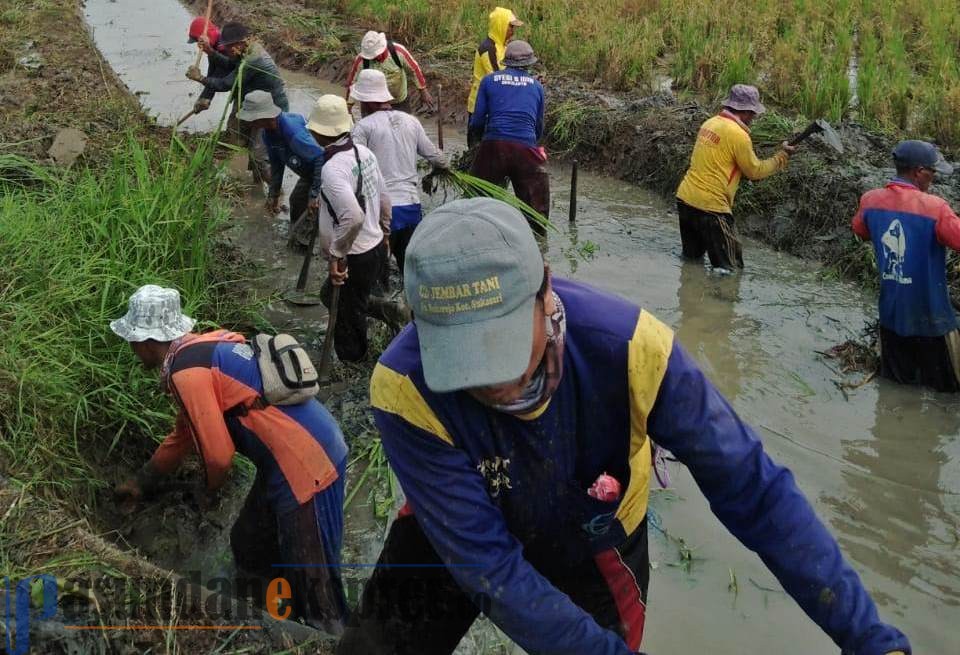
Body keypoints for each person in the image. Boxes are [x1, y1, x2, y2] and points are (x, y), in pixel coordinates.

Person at [336, 198, 911, 655]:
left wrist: (868, 638)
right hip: (453, 538)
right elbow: (486, 567)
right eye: (465, 360)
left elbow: (755, 492)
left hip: (597, 544)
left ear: (546, 290)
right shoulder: (404, 388)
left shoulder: (635, 350)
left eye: (504, 346)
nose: (493, 384)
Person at [110, 285, 348, 634]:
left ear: (145, 341)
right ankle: (267, 622)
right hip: (290, 457)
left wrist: (208, 490)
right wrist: (142, 481)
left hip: (307, 466)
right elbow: (185, 434)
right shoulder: (207, 347)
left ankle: (317, 637)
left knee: (320, 601)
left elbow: (219, 457)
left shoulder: (185, 373)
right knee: (249, 545)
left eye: (132, 341)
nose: (132, 350)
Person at [852, 139, 960, 391]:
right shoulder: (936, 208)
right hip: (932, 320)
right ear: (919, 172)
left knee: (896, 389)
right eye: (932, 172)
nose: (933, 178)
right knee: (945, 395)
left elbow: (859, 228)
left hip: (891, 317)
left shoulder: (870, 201)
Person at [307, 95, 391, 363]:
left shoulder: (333, 169)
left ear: (319, 133)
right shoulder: (363, 153)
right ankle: (390, 311)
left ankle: (354, 367)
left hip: (355, 255)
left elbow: (353, 217)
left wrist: (337, 255)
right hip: (375, 246)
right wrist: (385, 231)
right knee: (349, 302)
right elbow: (383, 196)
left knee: (347, 318)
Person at [675, 84, 795, 272]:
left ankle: (690, 296)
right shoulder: (739, 135)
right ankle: (721, 299)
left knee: (691, 261)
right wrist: (782, 157)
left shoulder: (710, 123)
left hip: (685, 199)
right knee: (730, 269)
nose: (754, 118)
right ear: (746, 111)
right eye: (753, 114)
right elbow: (754, 172)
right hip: (712, 209)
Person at [351, 69, 448, 288]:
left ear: (365, 103)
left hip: (383, 212)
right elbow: (435, 156)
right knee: (411, 274)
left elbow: (356, 170)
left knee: (377, 275)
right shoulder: (411, 121)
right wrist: (447, 167)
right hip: (411, 207)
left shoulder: (362, 128)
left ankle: (383, 312)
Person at [186, 22, 289, 186]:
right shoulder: (246, 51)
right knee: (241, 139)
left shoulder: (253, 60)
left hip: (271, 110)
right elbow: (229, 65)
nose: (226, 51)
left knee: (259, 155)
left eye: (227, 47)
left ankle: (275, 193)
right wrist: (210, 51)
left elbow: (226, 83)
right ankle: (257, 186)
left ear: (239, 43)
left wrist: (200, 78)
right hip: (254, 104)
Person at [469, 40, 548, 234]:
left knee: (479, 199)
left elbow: (477, 120)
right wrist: (529, 145)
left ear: (506, 62)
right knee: (536, 209)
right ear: (529, 64)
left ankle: (478, 233)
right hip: (526, 148)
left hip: (494, 146)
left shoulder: (489, 81)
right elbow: (538, 126)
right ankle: (538, 246)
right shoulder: (537, 87)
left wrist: (478, 145)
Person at [233, 91, 325, 244]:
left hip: (324, 173)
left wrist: (315, 194)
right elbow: (276, 164)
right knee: (296, 201)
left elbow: (320, 157)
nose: (249, 123)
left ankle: (314, 243)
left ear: (263, 117)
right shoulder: (268, 133)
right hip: (308, 172)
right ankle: (297, 236)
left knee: (313, 210)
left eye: (251, 119)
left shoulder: (293, 132)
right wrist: (273, 195)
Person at [466, 6, 523, 147]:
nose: (513, 31)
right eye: (511, 27)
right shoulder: (488, 49)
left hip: (494, 103)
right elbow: (498, 77)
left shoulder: (502, 46)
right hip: (481, 105)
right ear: (501, 25)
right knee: (476, 149)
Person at [344, 31, 432, 113]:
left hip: (398, 101)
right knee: (371, 128)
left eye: (377, 55)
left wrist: (423, 90)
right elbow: (352, 83)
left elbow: (414, 69)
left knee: (403, 126)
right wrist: (349, 105)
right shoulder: (362, 60)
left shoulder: (398, 52)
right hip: (372, 105)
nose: (376, 58)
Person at [185, 17, 234, 116]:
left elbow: (222, 83)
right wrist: (203, 98)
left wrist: (205, 97)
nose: (199, 45)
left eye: (198, 40)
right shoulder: (214, 46)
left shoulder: (225, 49)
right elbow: (212, 75)